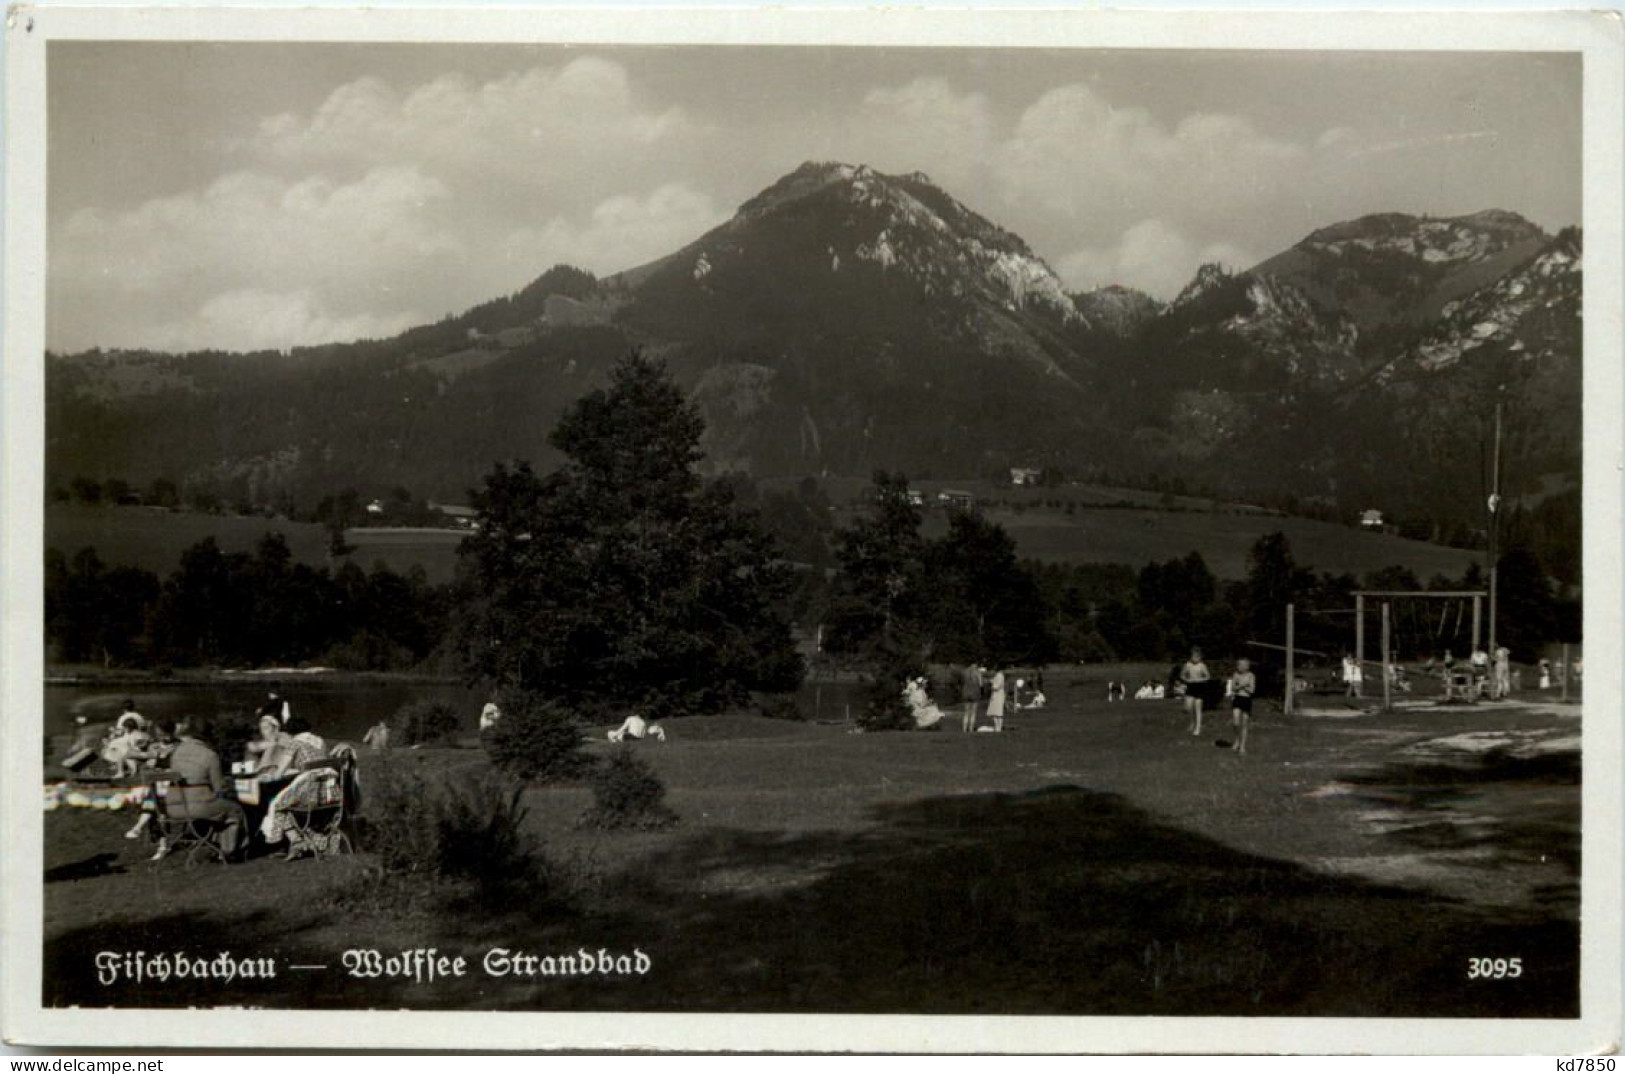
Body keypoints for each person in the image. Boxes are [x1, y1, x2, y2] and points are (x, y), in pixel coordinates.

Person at [157, 719, 246, 861]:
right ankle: (229, 851)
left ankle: (217, 846)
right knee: (234, 810)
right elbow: (219, 788)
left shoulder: (177, 752)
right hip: (197, 806)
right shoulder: (209, 755)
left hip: (173, 806)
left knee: (218, 808)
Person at [1180, 648, 1211, 736]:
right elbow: (1182, 675)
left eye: (1197, 656)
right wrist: (1187, 679)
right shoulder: (1188, 665)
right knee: (1188, 707)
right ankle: (1192, 722)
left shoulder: (1202, 665)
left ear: (1200, 657)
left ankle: (1198, 728)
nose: (1195, 658)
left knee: (1198, 707)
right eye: (1193, 656)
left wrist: (1200, 679)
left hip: (1199, 687)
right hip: (1190, 686)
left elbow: (1208, 676)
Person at [1228, 659, 1256, 755]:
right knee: (1235, 721)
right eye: (1239, 665)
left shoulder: (1251, 675)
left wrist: (1243, 686)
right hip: (1237, 698)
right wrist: (1241, 685)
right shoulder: (1236, 675)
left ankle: (1242, 746)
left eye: (1242, 665)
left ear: (1247, 667)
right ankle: (1237, 739)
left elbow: (1252, 690)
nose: (1239, 667)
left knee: (1244, 723)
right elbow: (1233, 688)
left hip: (1246, 700)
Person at [957, 663, 982, 733]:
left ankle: (964, 729)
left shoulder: (965, 672)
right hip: (975, 693)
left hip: (966, 693)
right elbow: (981, 684)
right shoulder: (977, 673)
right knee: (973, 712)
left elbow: (960, 683)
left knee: (966, 712)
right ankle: (971, 729)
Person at [986, 667, 1007, 732]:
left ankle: (999, 727)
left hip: (998, 695)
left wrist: (991, 686)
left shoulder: (1000, 676)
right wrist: (990, 681)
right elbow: (995, 681)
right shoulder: (997, 676)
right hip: (995, 695)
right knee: (994, 712)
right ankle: (996, 726)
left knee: (998, 712)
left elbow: (997, 686)